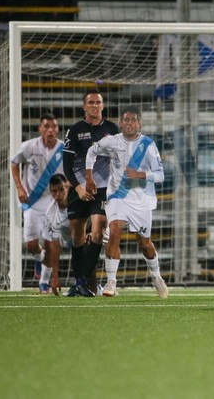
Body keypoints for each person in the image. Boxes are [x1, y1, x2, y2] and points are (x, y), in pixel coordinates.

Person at [85, 108, 168, 298]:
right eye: (126, 120)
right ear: (120, 123)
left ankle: (156, 276)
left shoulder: (148, 145)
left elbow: (161, 175)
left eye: (134, 120)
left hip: (141, 200)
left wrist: (140, 174)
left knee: (145, 243)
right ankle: (111, 282)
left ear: (139, 124)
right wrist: (89, 178)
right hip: (117, 197)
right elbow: (91, 151)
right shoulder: (112, 142)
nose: (129, 123)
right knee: (114, 232)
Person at [63, 90, 119, 297]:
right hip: (79, 187)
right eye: (91, 102)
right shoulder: (75, 131)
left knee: (97, 232)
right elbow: (67, 165)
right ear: (84, 106)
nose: (95, 105)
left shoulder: (112, 130)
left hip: (103, 189)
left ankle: (83, 281)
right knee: (77, 237)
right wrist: (78, 187)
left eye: (99, 102)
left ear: (103, 106)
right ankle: (79, 282)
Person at [10, 113, 63, 294]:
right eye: (46, 126)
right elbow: (14, 163)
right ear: (40, 128)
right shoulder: (29, 146)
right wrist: (19, 187)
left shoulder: (63, 150)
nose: (50, 130)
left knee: (50, 243)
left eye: (54, 126)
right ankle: (41, 262)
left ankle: (44, 283)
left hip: (52, 202)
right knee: (31, 244)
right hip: (32, 202)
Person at [41, 173, 73, 296]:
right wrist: (55, 277)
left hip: (93, 235)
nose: (58, 195)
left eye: (61, 190)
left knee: (86, 244)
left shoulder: (78, 200)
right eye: (54, 191)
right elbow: (55, 245)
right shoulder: (50, 214)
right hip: (68, 239)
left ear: (68, 187)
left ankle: (94, 284)